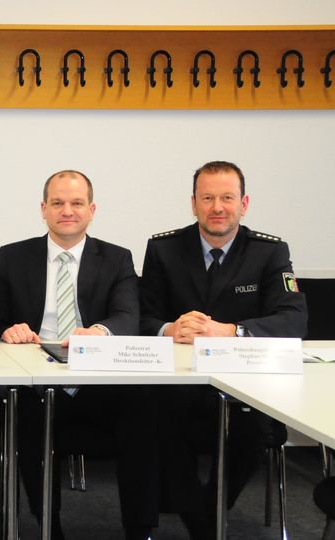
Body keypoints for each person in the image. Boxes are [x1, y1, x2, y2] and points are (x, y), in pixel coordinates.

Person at [139, 160, 307, 539]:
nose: (218, 207)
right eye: (208, 198)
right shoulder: (163, 249)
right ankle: (203, 523)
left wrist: (233, 331)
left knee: (253, 431)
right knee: (154, 417)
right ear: (194, 203)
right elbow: (141, 317)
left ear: (244, 204)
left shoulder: (270, 252)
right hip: (179, 381)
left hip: (243, 383)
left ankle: (202, 511)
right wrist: (169, 329)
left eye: (227, 198)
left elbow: (294, 319)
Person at [0, 170, 156, 540]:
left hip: (97, 384)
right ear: (43, 209)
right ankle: (50, 527)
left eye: (77, 203)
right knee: (26, 414)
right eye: (58, 203)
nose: (67, 211)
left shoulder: (116, 258)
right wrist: (6, 329)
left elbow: (129, 316)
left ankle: (139, 530)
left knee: (142, 410)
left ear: (91, 210)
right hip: (34, 383)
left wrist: (99, 332)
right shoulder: (13, 257)